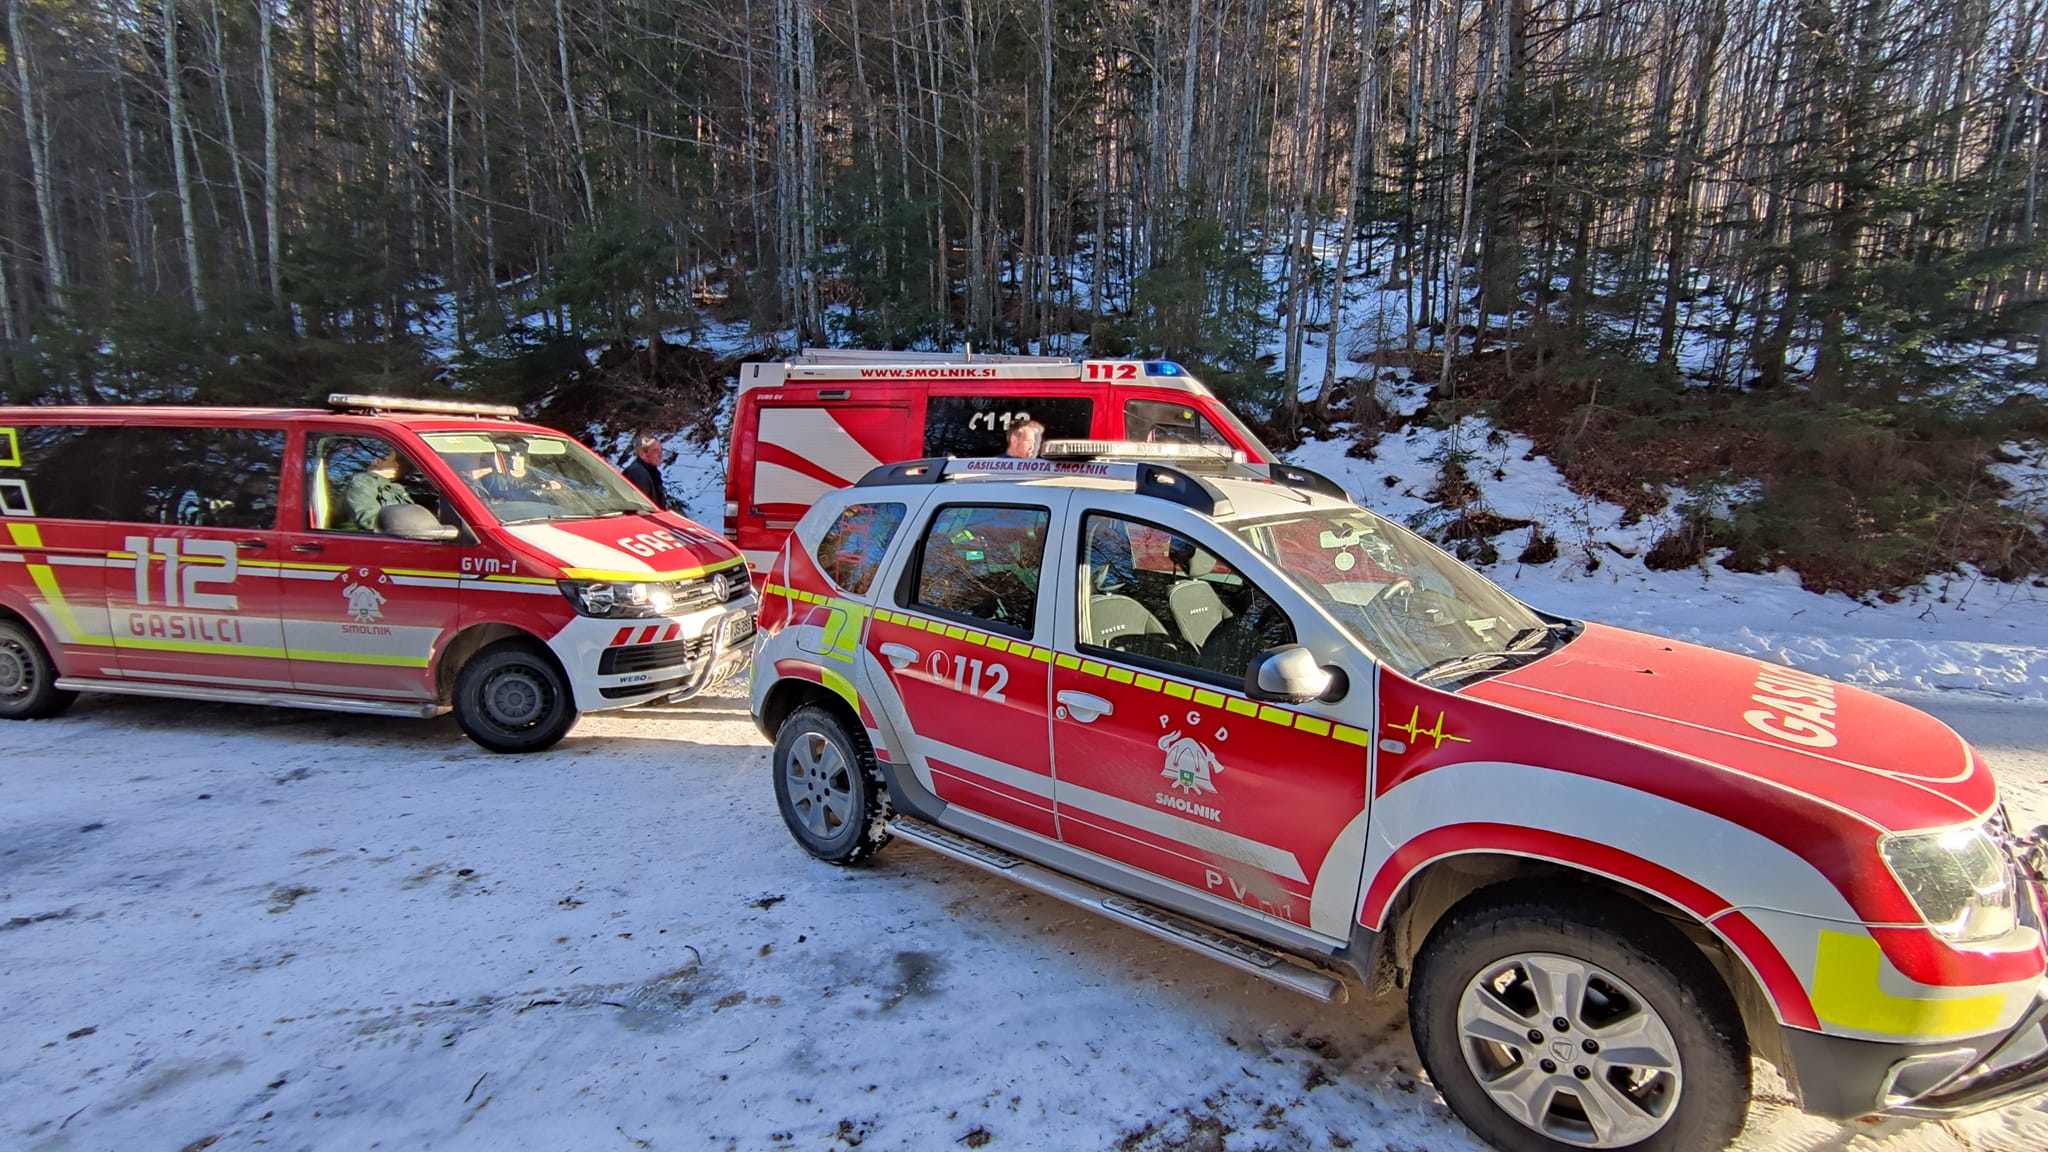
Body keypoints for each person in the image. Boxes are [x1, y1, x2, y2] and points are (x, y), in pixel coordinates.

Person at [344, 446, 416, 533]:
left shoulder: (396, 487)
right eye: (394, 461)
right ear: (377, 461)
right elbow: (370, 522)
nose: (398, 465)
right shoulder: (363, 482)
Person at [620, 433, 668, 509]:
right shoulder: (638, 474)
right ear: (643, 454)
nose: (661, 455)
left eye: (661, 450)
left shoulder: (651, 471)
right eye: (656, 451)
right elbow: (644, 507)